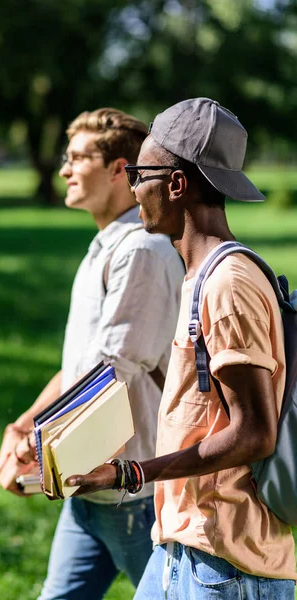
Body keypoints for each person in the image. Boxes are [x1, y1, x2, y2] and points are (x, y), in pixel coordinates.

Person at [65, 98, 297, 599]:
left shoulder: (228, 282)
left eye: (138, 174)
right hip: (181, 548)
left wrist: (133, 472)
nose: (132, 187)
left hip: (228, 564)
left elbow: (254, 433)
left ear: (175, 184)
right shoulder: (199, 274)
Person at [0, 107, 184, 599]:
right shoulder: (107, 245)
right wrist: (26, 427)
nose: (63, 170)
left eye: (77, 158)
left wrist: (38, 445)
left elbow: (111, 373)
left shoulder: (142, 250)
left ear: (120, 170)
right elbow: (78, 366)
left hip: (135, 493)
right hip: (90, 489)